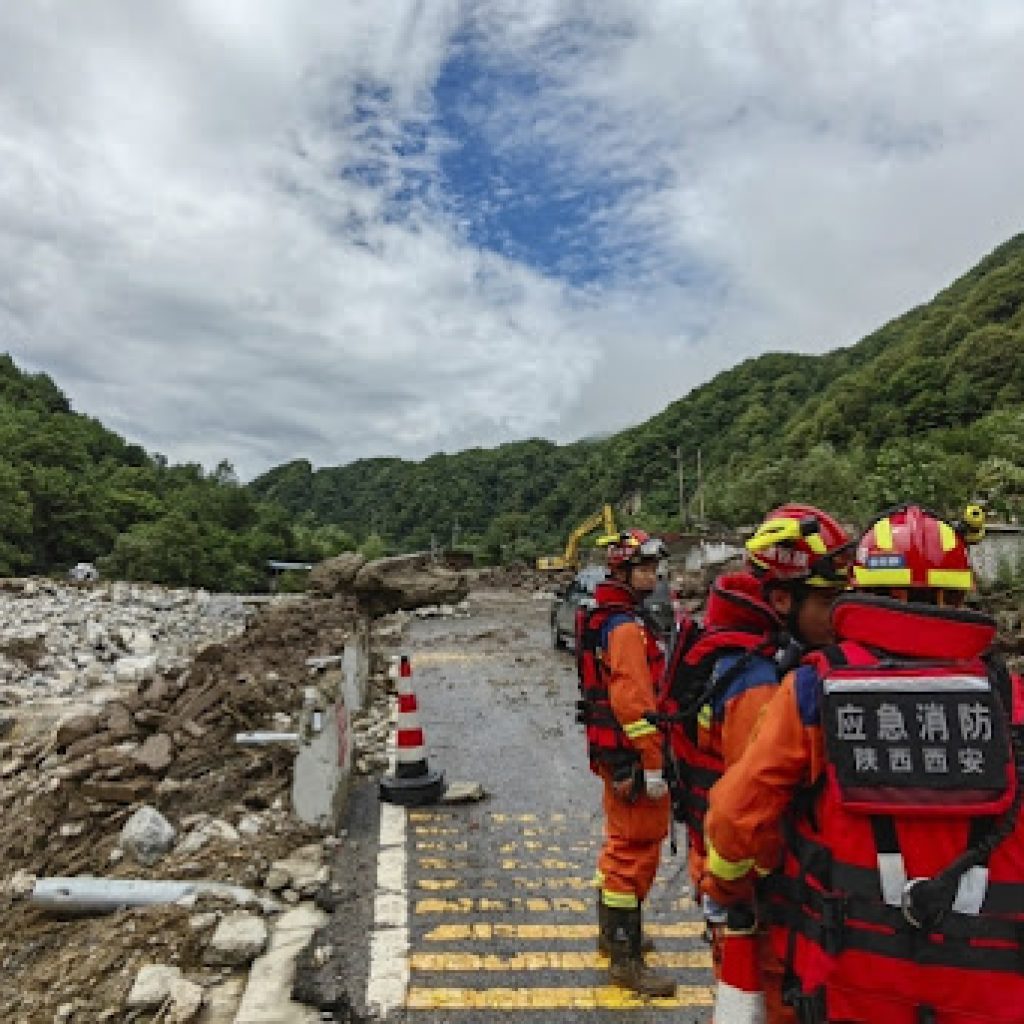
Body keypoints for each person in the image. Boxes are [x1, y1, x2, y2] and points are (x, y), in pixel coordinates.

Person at [704, 503, 1024, 1023]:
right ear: (962, 593)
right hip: (990, 995)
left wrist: (728, 891)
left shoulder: (813, 690)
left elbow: (736, 821)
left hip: (845, 985)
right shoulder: (1013, 702)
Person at [663, 504, 851, 1022]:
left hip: (730, 879)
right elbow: (749, 814)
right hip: (756, 899)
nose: (840, 615)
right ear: (783, 598)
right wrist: (734, 894)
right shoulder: (757, 681)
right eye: (829, 600)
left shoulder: (738, 651)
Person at [576, 527, 675, 996]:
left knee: (619, 845)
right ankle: (624, 957)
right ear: (622, 570)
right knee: (633, 852)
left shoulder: (602, 616)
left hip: (612, 755)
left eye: (654, 568)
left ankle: (613, 934)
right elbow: (635, 704)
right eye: (645, 568)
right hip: (632, 760)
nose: (653, 576)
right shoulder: (625, 628)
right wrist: (654, 765)